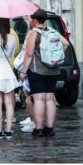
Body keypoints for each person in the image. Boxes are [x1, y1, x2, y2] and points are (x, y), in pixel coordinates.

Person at [19, 8, 69, 137]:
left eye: (30, 19)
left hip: (37, 70)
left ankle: (39, 128)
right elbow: (66, 44)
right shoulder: (53, 31)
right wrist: (54, 57)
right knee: (50, 98)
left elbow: (29, 54)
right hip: (54, 70)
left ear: (35, 20)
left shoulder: (33, 33)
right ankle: (50, 128)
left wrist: (24, 71)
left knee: (39, 98)